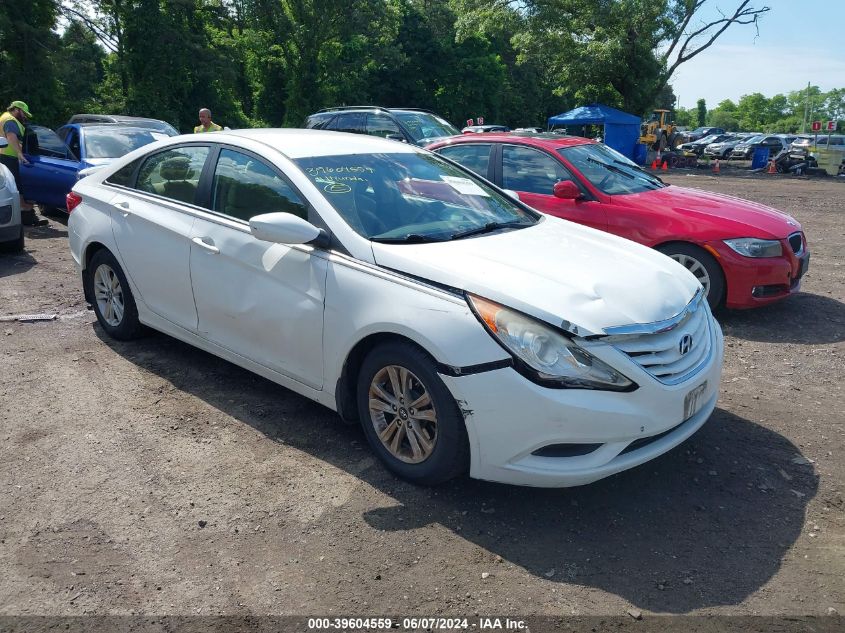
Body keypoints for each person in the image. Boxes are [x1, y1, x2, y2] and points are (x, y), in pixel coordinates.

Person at [0, 100, 47, 226]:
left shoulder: (5, 117)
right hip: (7, 157)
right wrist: (20, 153)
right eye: (23, 113)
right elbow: (11, 136)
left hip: (5, 156)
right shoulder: (10, 120)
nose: (24, 116)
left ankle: (24, 215)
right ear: (16, 109)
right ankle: (25, 214)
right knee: (16, 186)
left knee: (15, 186)